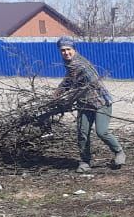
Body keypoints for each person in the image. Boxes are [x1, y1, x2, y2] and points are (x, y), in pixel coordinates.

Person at [53, 37, 125, 172]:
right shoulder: (69, 64)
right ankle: (85, 162)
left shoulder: (80, 65)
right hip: (84, 104)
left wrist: (69, 98)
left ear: (74, 50)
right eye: (63, 50)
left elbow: (92, 84)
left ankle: (119, 152)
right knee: (82, 133)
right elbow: (68, 80)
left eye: (68, 49)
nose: (66, 52)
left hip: (100, 102)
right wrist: (58, 92)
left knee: (101, 132)